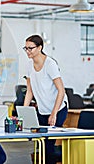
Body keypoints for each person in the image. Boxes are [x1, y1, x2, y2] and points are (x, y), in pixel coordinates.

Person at [23, 34, 68, 164]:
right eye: (25, 48)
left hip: (58, 109)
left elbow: (61, 90)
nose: (27, 51)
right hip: (42, 110)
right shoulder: (29, 65)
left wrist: (54, 113)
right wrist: (24, 111)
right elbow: (30, 90)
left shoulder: (50, 64)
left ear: (39, 47)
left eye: (30, 48)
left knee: (48, 145)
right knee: (40, 143)